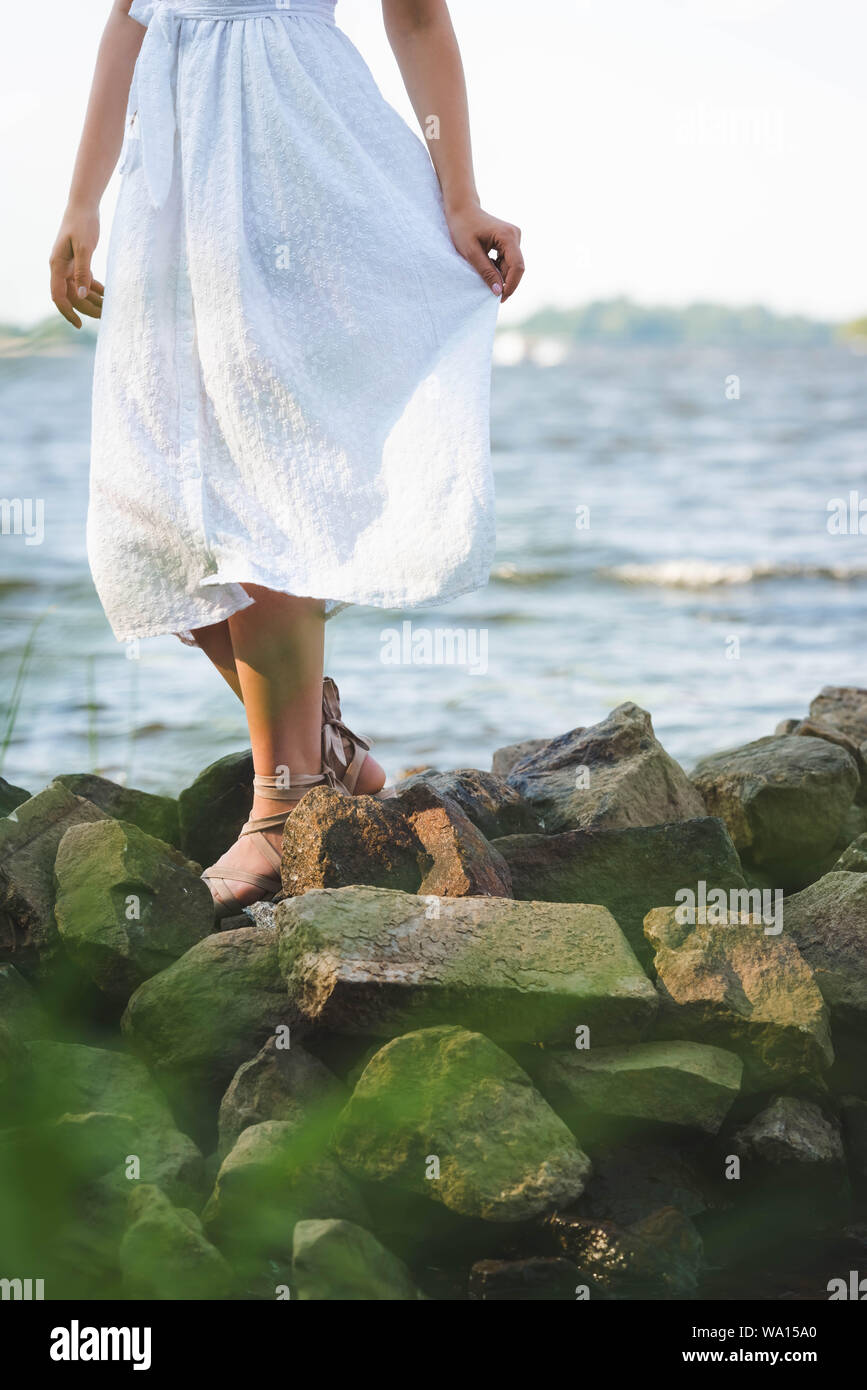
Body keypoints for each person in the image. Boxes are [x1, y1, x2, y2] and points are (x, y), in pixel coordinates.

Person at [49, 0, 524, 917]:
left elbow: (418, 18)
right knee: (155, 512)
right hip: (169, 175)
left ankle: (284, 805)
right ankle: (327, 751)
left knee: (256, 489)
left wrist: (459, 196)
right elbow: (126, 18)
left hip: (288, 147)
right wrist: (83, 199)